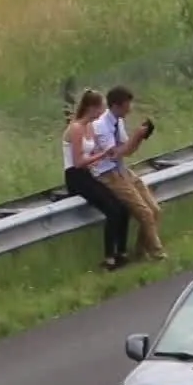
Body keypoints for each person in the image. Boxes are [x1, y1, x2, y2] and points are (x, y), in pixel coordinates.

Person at [93, 86, 167, 262]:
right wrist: (136, 135)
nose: (130, 108)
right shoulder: (101, 126)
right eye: (127, 105)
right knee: (145, 213)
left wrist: (140, 137)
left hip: (121, 169)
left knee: (154, 211)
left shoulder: (118, 121)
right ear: (116, 105)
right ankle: (158, 253)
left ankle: (141, 251)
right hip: (108, 174)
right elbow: (114, 154)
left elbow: (127, 151)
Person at [63, 90, 132, 270]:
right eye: (101, 108)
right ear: (91, 108)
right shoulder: (76, 127)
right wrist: (102, 155)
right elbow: (78, 162)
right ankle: (109, 258)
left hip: (88, 173)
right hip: (75, 176)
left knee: (123, 208)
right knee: (112, 210)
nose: (103, 112)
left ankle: (122, 253)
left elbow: (91, 154)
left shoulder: (90, 127)